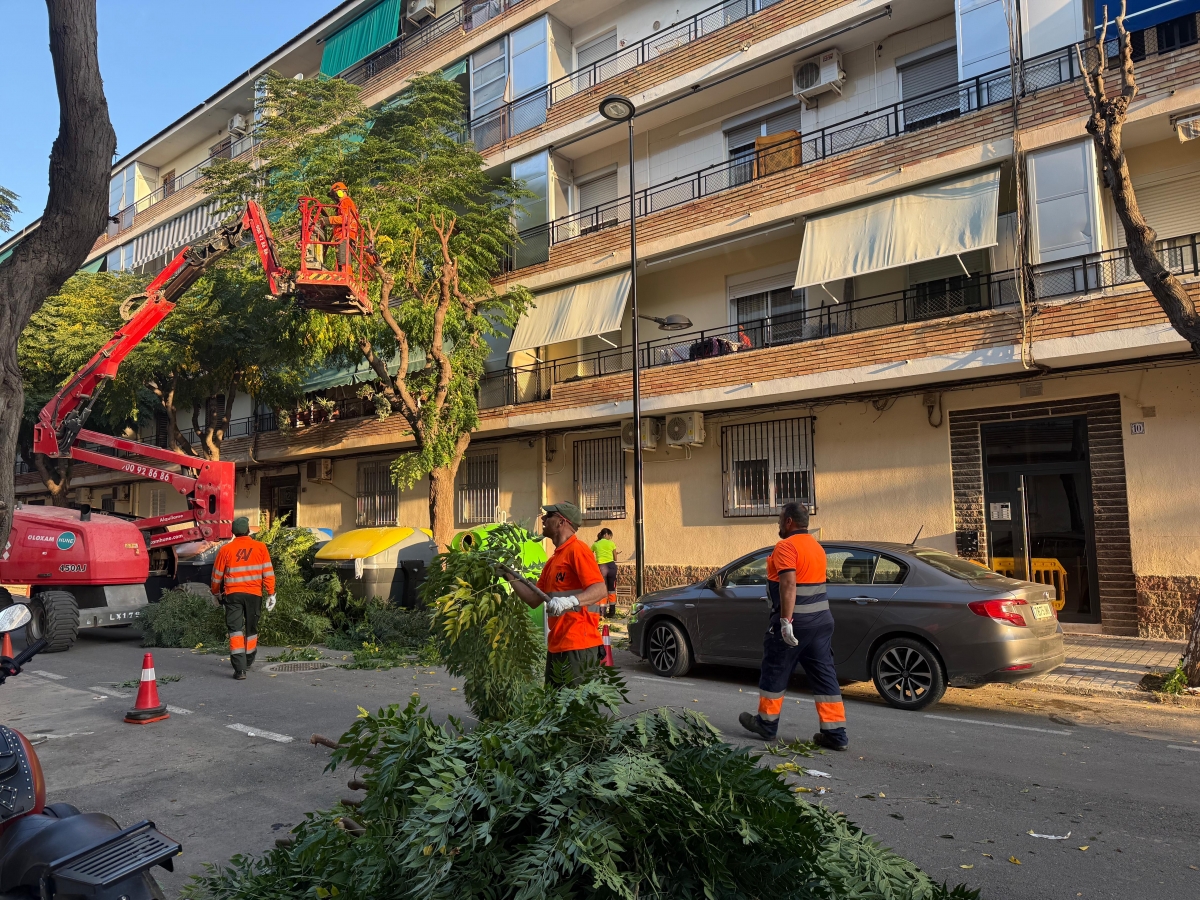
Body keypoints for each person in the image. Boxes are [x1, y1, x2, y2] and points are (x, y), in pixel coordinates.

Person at [739, 502, 847, 751]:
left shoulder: (786, 546)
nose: (778, 524)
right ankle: (835, 734)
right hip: (821, 622)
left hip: (796, 623)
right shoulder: (817, 548)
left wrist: (786, 622)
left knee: (775, 669)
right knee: (824, 676)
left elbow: (789, 585)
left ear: (789, 522)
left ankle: (766, 724)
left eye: (780, 519)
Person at [503, 502, 608, 686]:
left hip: (579, 646)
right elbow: (534, 599)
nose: (543, 519)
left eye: (548, 515)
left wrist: (570, 601)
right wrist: (508, 575)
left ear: (561, 522)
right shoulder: (553, 561)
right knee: (554, 709)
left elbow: (600, 589)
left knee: (576, 710)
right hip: (557, 645)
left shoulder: (578, 550)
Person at [210, 517, 277, 680]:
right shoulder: (260, 547)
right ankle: (248, 660)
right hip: (254, 594)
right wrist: (271, 592)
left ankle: (240, 670)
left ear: (233, 532)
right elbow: (268, 572)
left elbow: (217, 575)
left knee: (235, 630)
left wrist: (216, 593)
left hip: (233, 595)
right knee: (251, 629)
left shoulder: (226, 550)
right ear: (248, 530)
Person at [591, 528, 619, 616]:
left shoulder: (595, 544)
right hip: (611, 567)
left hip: (601, 567)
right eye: (609, 536)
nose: (610, 538)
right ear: (605, 534)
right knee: (612, 590)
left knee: (602, 589)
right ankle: (612, 612)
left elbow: (589, 555)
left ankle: (602, 612)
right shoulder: (612, 543)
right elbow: (615, 558)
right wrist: (614, 554)